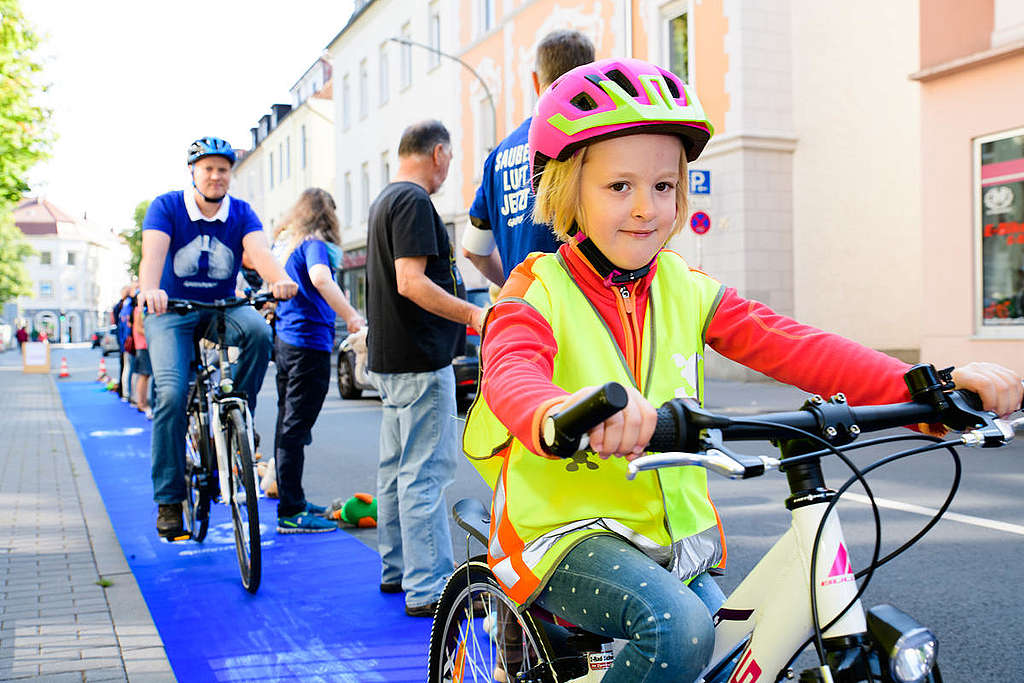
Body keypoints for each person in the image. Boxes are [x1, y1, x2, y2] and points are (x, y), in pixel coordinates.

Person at [463, 58, 1024, 682]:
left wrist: (931, 389)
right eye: (619, 186)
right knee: (679, 630)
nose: (647, 208)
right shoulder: (535, 290)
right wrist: (559, 411)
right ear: (568, 189)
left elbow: (793, 344)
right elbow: (513, 372)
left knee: (731, 648)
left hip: (665, 543)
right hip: (561, 536)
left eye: (665, 186)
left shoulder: (686, 287)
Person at [138, 136, 298, 539]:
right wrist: (150, 288)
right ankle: (170, 500)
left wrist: (279, 279)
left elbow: (259, 252)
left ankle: (237, 411)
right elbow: (152, 256)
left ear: (230, 175)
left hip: (222, 306)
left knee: (260, 331)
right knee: (172, 395)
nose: (215, 176)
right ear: (193, 172)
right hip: (170, 309)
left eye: (223, 169)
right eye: (207, 168)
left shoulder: (241, 213)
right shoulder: (167, 207)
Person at [365, 120, 487, 616]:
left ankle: (397, 571)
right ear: (438, 153)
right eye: (450, 160)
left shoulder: (385, 201)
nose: (448, 170)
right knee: (425, 476)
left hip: (392, 360)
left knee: (396, 472)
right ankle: (431, 587)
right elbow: (411, 282)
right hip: (419, 360)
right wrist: (476, 314)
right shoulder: (414, 202)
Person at [463, 30, 595, 287]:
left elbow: (472, 249)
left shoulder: (499, 154)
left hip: (525, 318)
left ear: (535, 81)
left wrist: (519, 290)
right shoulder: (592, 139)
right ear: (590, 78)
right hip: (581, 317)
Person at [272, 188, 364, 534]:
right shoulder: (314, 244)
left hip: (286, 341)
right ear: (328, 214)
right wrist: (351, 315)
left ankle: (292, 499)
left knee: (288, 424)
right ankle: (291, 510)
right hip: (308, 342)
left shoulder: (288, 244)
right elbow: (321, 278)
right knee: (295, 427)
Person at [131, 288, 152, 419]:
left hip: (143, 345)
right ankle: (141, 403)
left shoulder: (140, 309)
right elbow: (139, 328)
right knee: (144, 375)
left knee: (145, 375)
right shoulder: (140, 310)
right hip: (143, 346)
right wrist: (152, 334)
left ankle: (142, 402)